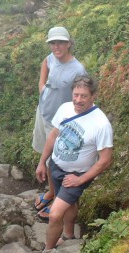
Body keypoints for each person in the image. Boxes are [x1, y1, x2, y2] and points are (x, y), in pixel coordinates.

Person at [35, 75, 113, 250]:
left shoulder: (101, 124)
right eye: (75, 95)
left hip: (76, 175)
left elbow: (106, 159)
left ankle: (48, 251)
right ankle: (68, 235)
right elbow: (54, 135)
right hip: (56, 165)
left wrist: (80, 179)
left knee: (55, 214)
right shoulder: (65, 108)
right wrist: (42, 162)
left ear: (93, 96)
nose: (78, 100)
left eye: (83, 96)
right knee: (68, 203)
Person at [32, 26, 87, 221]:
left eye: (61, 42)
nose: (57, 46)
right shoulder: (51, 57)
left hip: (61, 123)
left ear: (69, 43)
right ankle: (50, 192)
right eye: (53, 43)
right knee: (46, 157)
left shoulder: (78, 69)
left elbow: (82, 95)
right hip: (44, 113)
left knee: (58, 162)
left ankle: (58, 199)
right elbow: (45, 62)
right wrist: (42, 88)